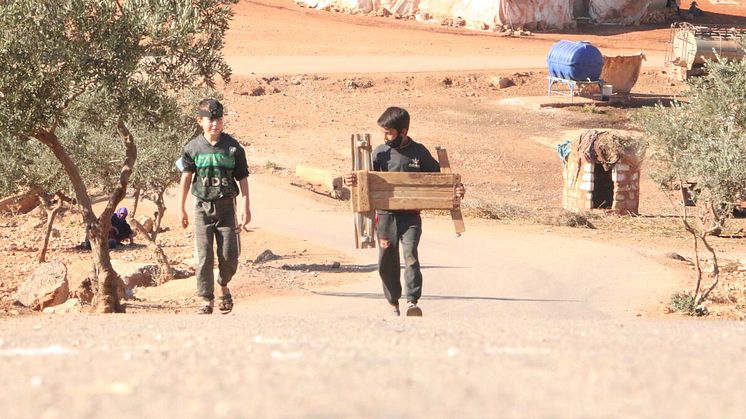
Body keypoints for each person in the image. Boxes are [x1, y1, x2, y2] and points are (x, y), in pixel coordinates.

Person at [344, 107, 465, 317]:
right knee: (386, 261)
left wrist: (457, 189)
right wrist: (351, 180)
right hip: (385, 216)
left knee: (411, 257)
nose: (385, 137)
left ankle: (412, 302)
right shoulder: (380, 153)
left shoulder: (419, 152)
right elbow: (363, 179)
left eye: (389, 132)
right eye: (384, 132)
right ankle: (393, 303)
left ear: (403, 131)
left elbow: (441, 179)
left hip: (411, 216)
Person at [179, 98, 251, 315]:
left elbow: (243, 178)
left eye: (219, 119)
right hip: (202, 207)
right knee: (204, 255)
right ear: (199, 121)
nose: (215, 124)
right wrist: (181, 207)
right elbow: (186, 177)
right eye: (210, 120)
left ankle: (223, 284)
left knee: (229, 256)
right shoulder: (192, 148)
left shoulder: (233, 148)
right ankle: (206, 300)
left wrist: (246, 206)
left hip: (227, 207)